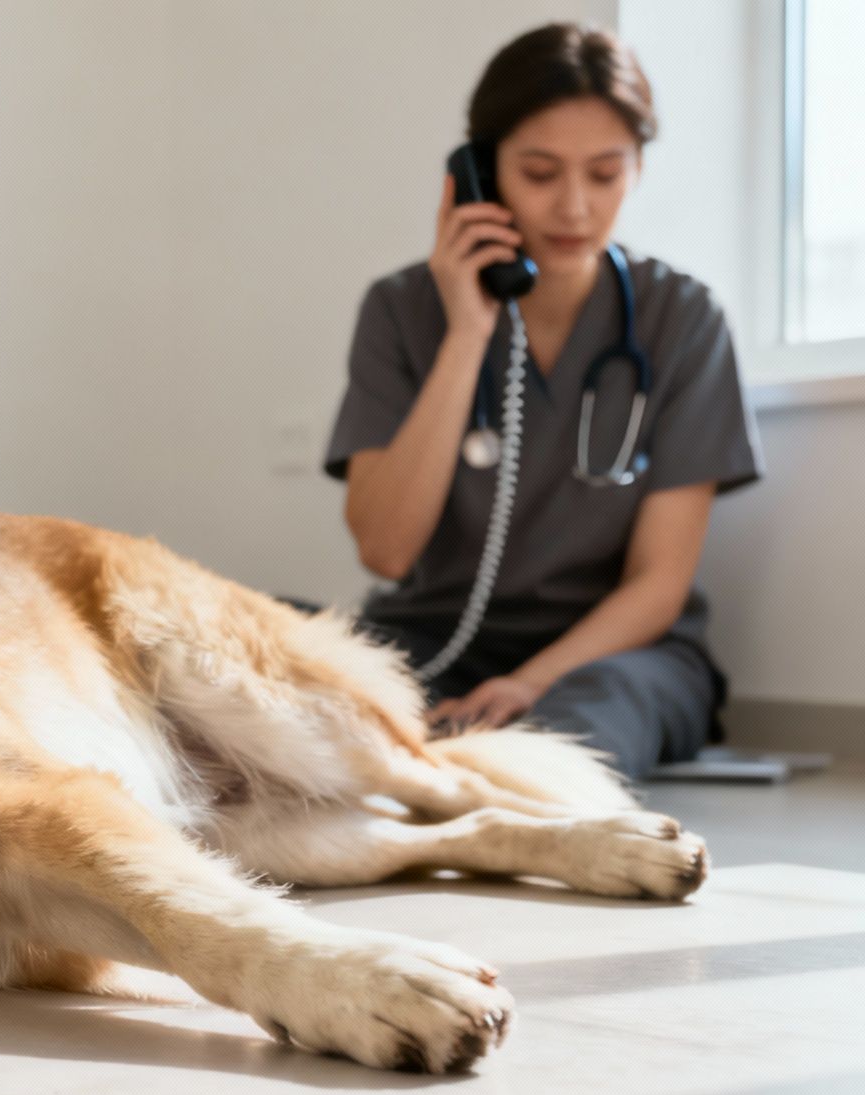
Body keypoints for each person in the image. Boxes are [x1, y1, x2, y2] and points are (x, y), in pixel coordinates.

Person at [324, 23, 762, 780]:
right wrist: (467, 335)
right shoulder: (401, 310)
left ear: (637, 169)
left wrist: (530, 682)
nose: (575, 208)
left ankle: (496, 810)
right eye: (538, 172)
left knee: (573, 730)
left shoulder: (683, 319)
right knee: (280, 678)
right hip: (433, 640)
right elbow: (385, 549)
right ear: (479, 175)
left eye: (604, 173)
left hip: (616, 657)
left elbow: (659, 583)